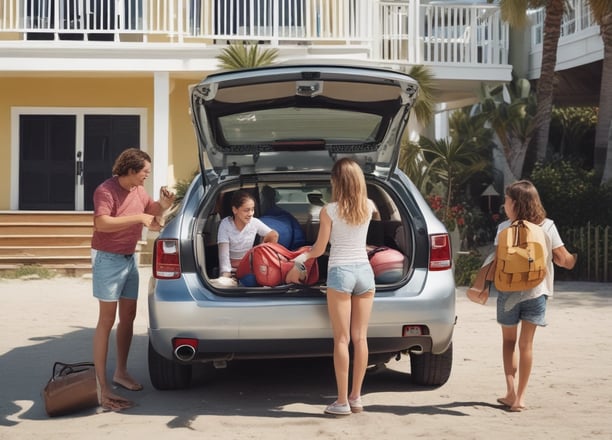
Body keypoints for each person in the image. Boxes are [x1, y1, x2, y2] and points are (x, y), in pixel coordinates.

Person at [287, 158, 379, 416]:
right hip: (365, 273)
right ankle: (356, 398)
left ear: (337, 181)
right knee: (361, 339)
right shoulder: (369, 206)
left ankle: (341, 401)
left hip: (341, 273)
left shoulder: (329, 210)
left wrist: (299, 259)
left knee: (342, 339)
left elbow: (318, 249)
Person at [91, 148, 175, 411]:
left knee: (128, 317)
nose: (146, 177)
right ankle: (101, 386)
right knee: (106, 321)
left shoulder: (138, 191)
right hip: (107, 258)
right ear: (130, 170)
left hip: (129, 258)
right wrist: (140, 218)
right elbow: (101, 223)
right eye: (144, 172)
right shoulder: (105, 190)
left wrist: (163, 205)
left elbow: (151, 211)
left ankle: (121, 372)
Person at [493, 180, 576, 412]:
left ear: (516, 204)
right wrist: (571, 259)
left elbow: (497, 263)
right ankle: (520, 398)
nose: (504, 205)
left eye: (507, 201)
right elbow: (564, 260)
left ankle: (509, 391)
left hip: (508, 293)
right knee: (526, 344)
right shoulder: (547, 227)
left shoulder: (503, 229)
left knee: (509, 342)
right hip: (537, 292)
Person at [217, 190, 279, 278]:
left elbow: (274, 235)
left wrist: (260, 251)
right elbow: (224, 255)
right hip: (231, 269)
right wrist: (226, 275)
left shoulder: (254, 222)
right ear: (235, 210)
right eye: (246, 210)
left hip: (249, 267)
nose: (250, 214)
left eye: (252, 209)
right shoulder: (225, 224)